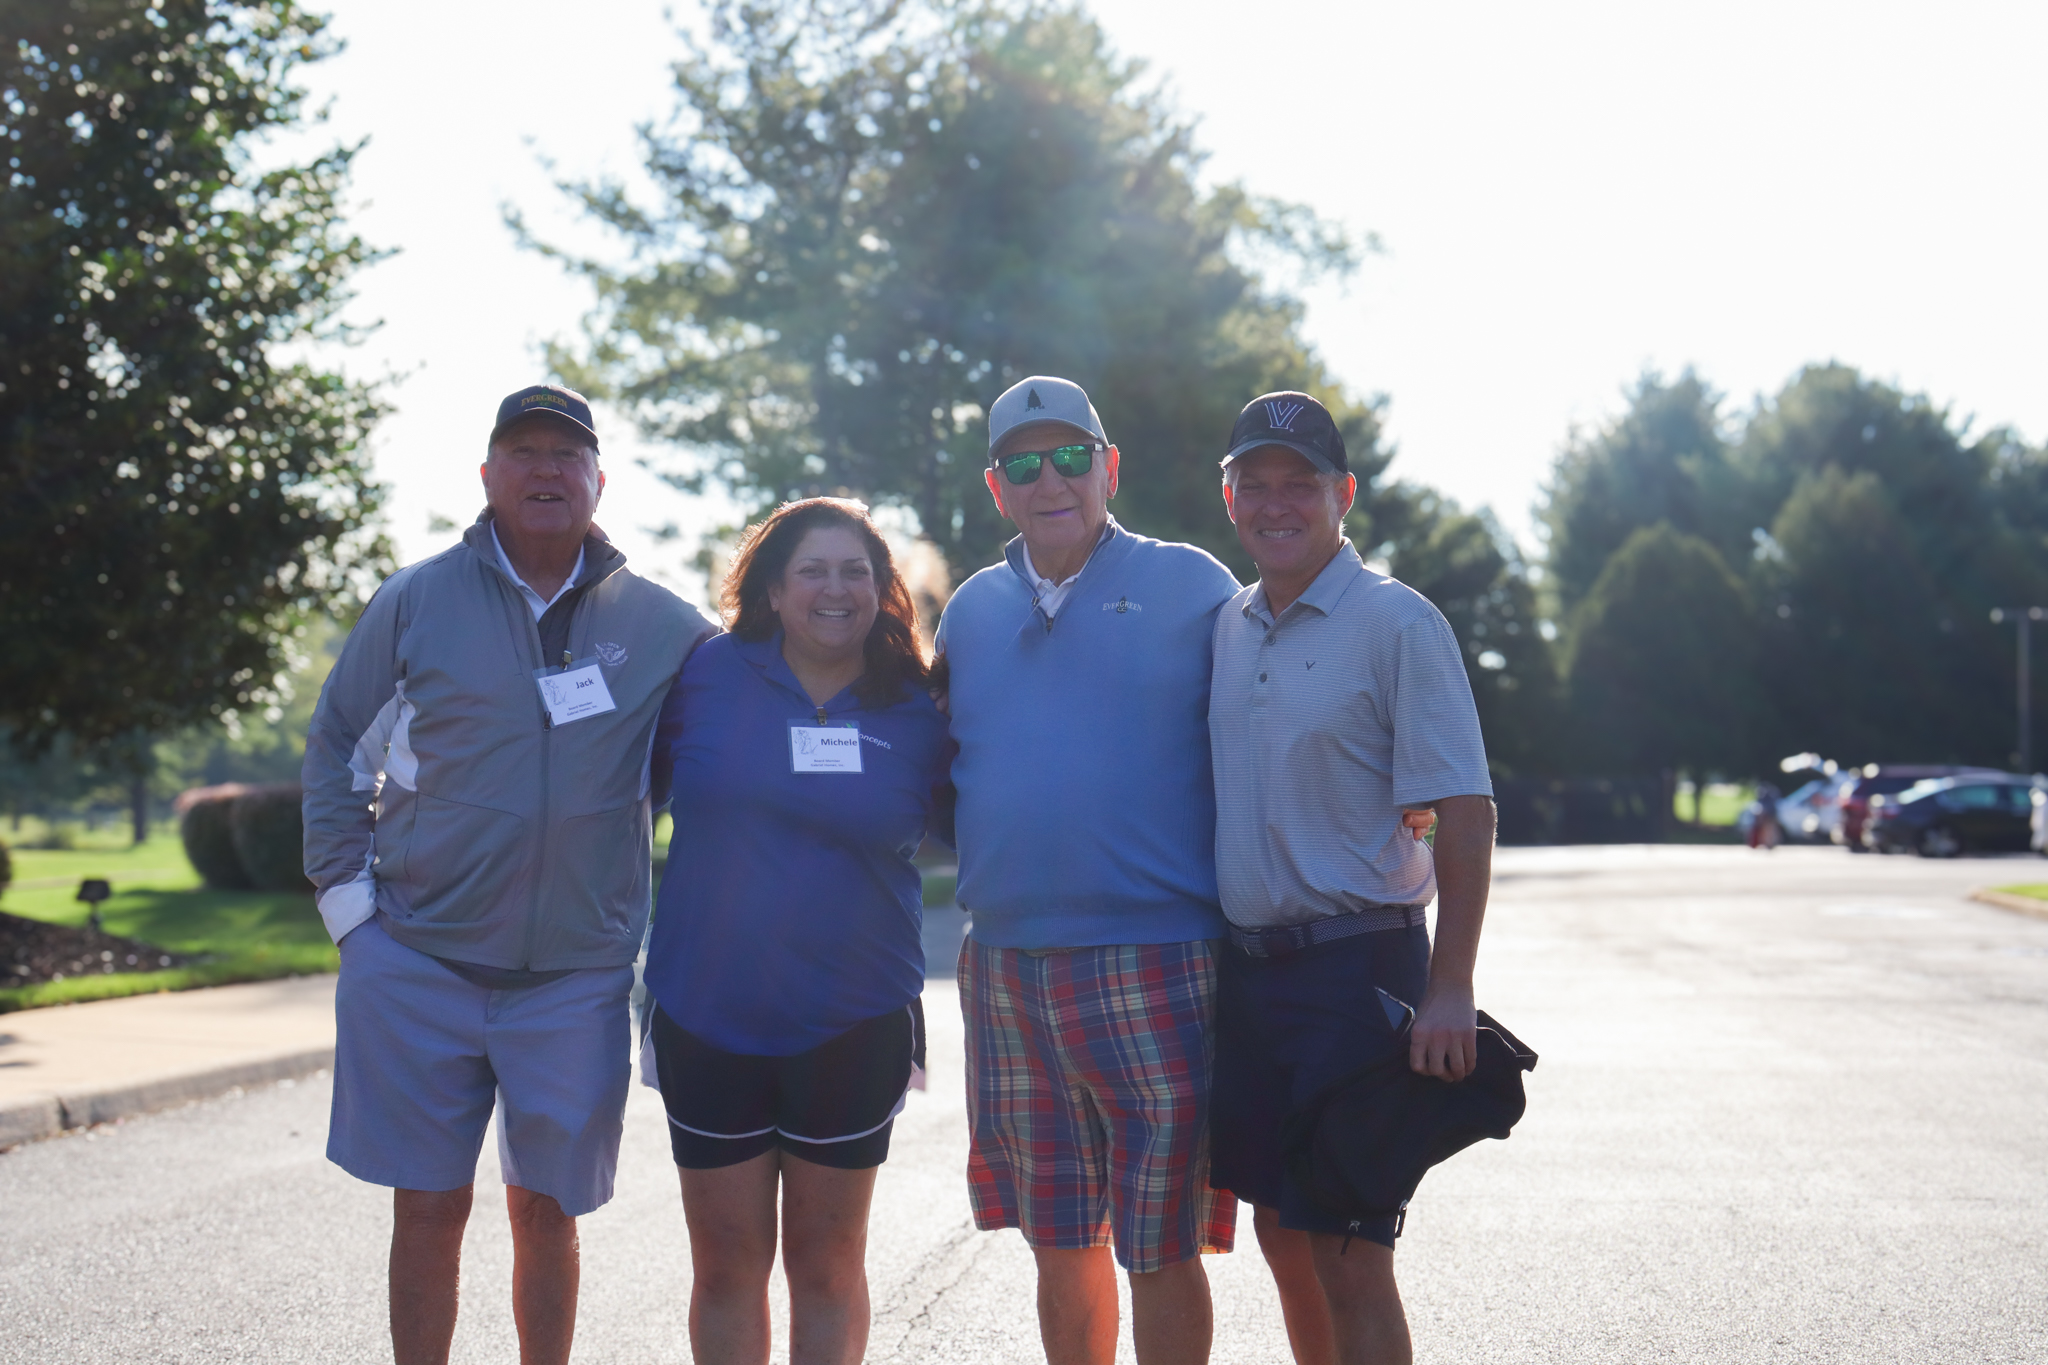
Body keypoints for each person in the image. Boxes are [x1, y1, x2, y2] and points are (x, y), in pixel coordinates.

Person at [302, 384, 717, 1365]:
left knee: (545, 1213)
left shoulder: (663, 625)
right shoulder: (414, 600)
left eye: (565, 456)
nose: (544, 470)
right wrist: (348, 909)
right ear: (487, 475)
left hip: (572, 979)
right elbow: (334, 747)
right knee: (431, 1208)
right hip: (416, 962)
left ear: (598, 482)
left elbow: (713, 753)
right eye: (522, 452)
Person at [938, 375, 1241, 1365]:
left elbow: (1272, 728)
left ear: (1108, 467)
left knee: (1159, 1248)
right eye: (1023, 464)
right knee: (1057, 1242)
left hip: (1158, 959)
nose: (1049, 480)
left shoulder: (1194, 584)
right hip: (1007, 969)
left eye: (1071, 457)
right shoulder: (968, 614)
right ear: (996, 488)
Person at [1205, 391, 1496, 1365]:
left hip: (1356, 969)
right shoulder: (1225, 626)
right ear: (1228, 496)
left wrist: (1449, 987)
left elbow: (1462, 810)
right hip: (1246, 978)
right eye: (1256, 484)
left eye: (1300, 485)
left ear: (1344, 495)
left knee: (1348, 1247)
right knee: (1282, 1235)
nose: (1276, 503)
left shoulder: (1395, 623)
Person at [641, 497, 952, 1365]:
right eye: (812, 569)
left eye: (857, 570)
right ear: (772, 589)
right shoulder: (700, 677)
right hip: (707, 1013)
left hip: (852, 1021)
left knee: (826, 1266)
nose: (835, 588)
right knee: (726, 1267)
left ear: (883, 589)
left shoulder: (918, 708)